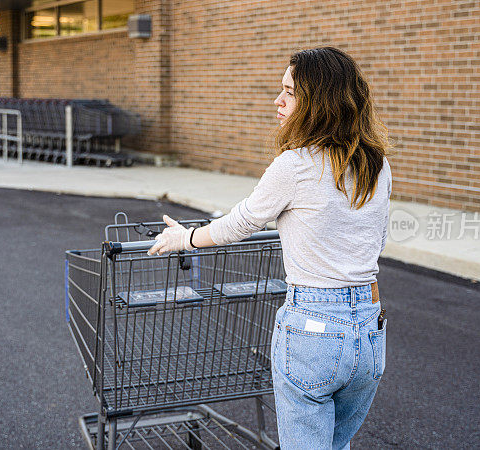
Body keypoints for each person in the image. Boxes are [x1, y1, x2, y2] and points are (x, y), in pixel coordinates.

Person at [147, 47, 392, 449]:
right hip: (370, 327)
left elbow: (241, 221)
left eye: (289, 92)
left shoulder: (295, 165)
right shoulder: (377, 164)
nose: (277, 101)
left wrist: (184, 238)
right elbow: (377, 239)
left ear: (318, 102)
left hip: (314, 327)